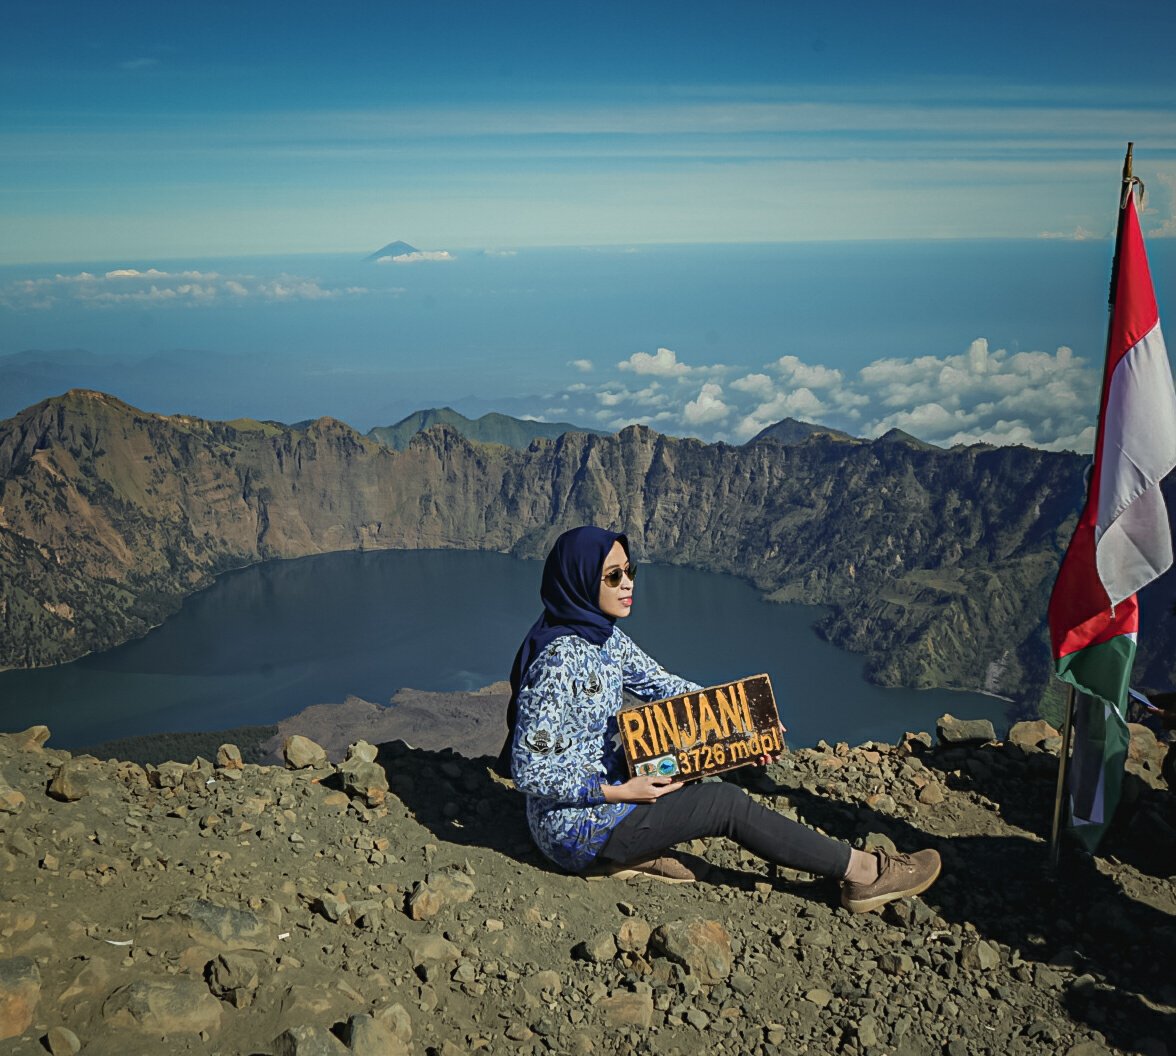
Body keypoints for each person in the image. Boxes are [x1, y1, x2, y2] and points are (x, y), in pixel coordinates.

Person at [501, 525, 941, 913]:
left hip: (615, 785)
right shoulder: (558, 661)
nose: (627, 583)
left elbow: (666, 686)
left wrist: (747, 725)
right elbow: (528, 771)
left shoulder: (603, 636)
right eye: (612, 576)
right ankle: (864, 874)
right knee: (723, 803)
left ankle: (636, 850)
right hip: (575, 828)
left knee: (698, 745)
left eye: (630, 570)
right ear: (578, 580)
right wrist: (621, 791)